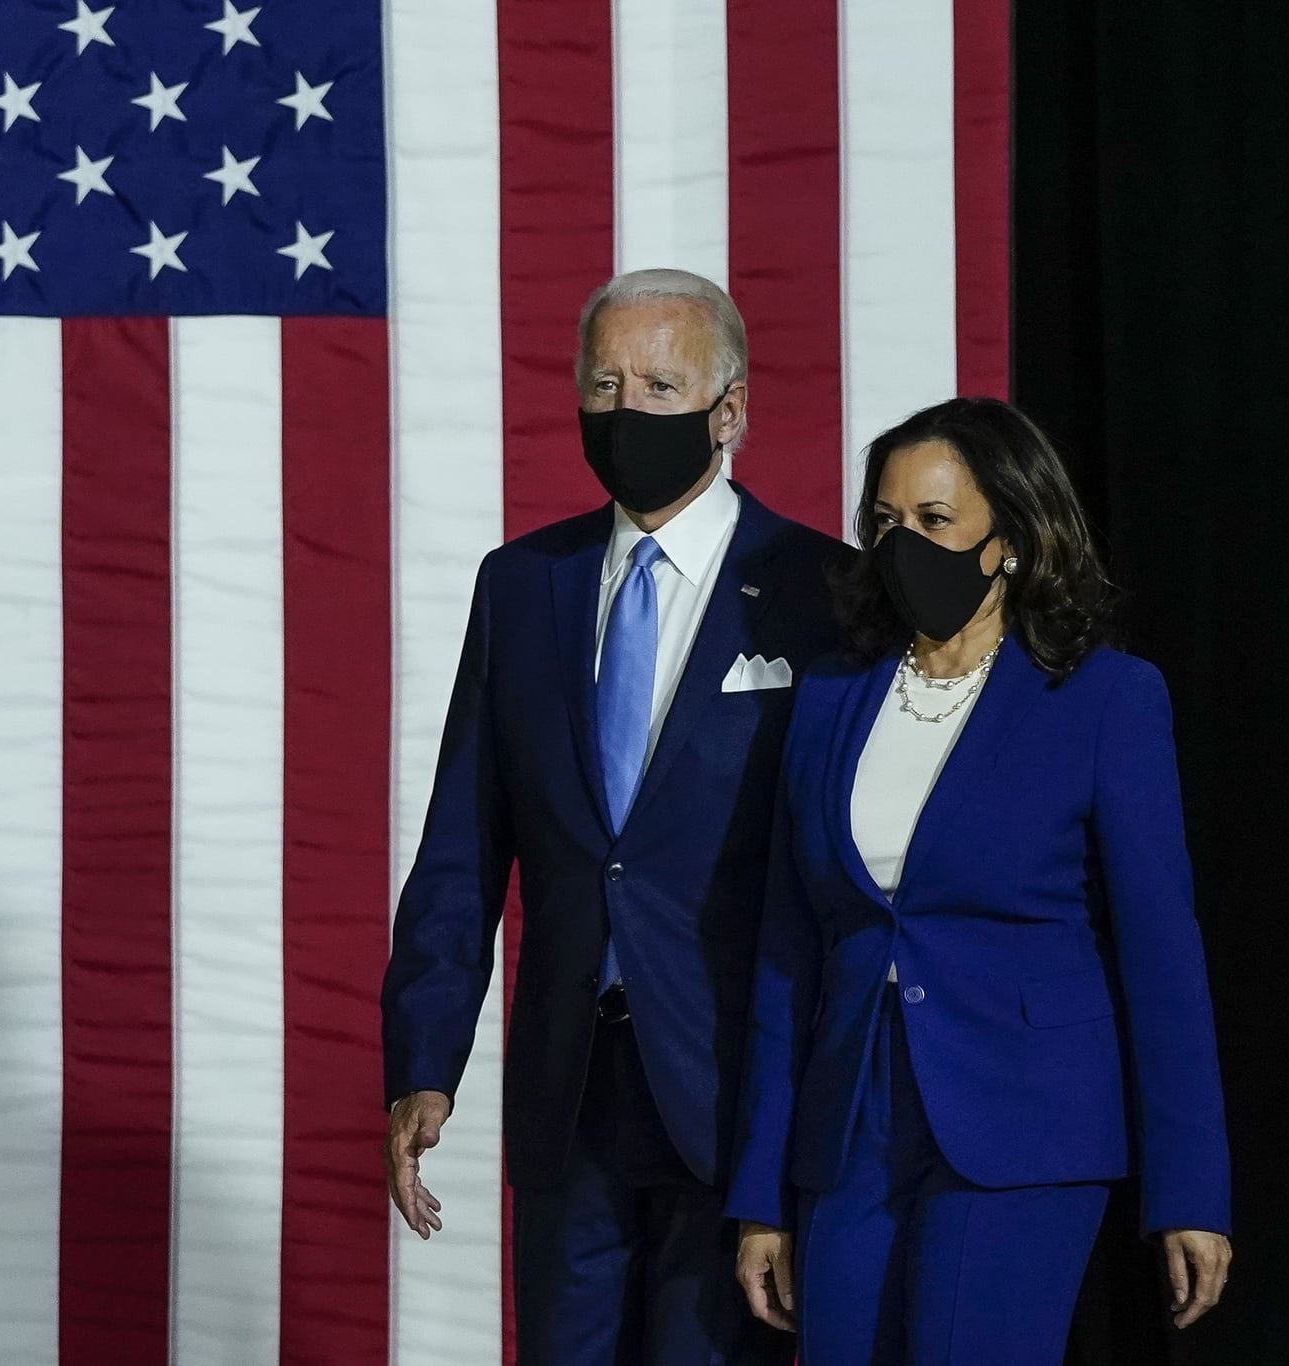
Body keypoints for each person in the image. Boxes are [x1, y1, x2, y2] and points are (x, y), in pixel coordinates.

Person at [381, 268, 848, 1364]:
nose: (625, 410)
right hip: (569, 1091)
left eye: (658, 385)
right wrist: (423, 1058)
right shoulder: (519, 585)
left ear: (726, 411)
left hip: (738, 1099)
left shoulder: (820, 590)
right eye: (604, 383)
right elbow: (460, 845)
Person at [725, 397, 1233, 1364]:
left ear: (1010, 538)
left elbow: (1163, 958)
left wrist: (1192, 1190)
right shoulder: (832, 695)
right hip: (850, 1130)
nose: (901, 542)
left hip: (1023, 1125)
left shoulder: (1105, 699)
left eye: (934, 521)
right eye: (884, 522)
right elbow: (788, 954)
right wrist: (761, 1195)